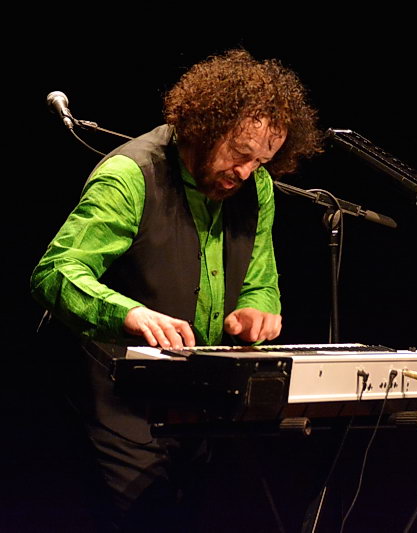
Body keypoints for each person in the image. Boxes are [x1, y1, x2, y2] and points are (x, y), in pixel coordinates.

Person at [31, 49, 324, 531]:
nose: (246, 172)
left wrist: (256, 309)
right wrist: (131, 314)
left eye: (261, 161)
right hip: (115, 403)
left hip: (197, 407)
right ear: (206, 127)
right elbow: (56, 272)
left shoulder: (257, 189)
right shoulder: (130, 175)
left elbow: (260, 282)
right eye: (240, 153)